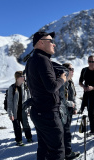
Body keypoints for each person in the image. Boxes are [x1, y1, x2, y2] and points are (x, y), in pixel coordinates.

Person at [25, 31, 67, 160]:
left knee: (43, 149)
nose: (54, 44)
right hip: (48, 114)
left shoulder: (32, 60)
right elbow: (51, 87)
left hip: (39, 111)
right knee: (57, 152)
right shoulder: (43, 60)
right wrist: (63, 79)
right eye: (51, 41)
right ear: (41, 43)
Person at [59, 63, 80, 160]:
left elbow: (73, 96)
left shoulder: (70, 82)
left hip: (69, 111)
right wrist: (71, 104)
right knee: (66, 133)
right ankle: (67, 153)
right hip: (63, 112)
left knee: (66, 132)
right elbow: (62, 100)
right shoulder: (62, 83)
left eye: (73, 69)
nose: (72, 71)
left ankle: (64, 152)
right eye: (70, 69)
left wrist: (74, 107)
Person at [7, 71, 32, 146]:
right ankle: (19, 141)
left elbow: (29, 99)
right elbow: (9, 102)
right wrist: (10, 113)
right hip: (15, 111)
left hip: (24, 110)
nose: (24, 78)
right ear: (17, 78)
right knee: (17, 126)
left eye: (24, 76)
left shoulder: (26, 87)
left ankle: (29, 137)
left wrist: (29, 109)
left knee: (26, 124)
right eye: (22, 76)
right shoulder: (12, 88)